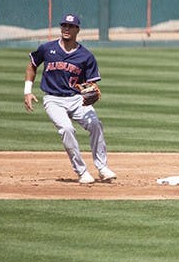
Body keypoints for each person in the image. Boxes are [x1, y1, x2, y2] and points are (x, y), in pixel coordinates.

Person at [23, 13, 117, 185]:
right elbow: (32, 65)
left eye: (70, 26)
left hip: (76, 99)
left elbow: (91, 85)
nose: (66, 29)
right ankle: (82, 172)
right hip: (53, 99)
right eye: (64, 25)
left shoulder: (86, 56)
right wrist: (27, 91)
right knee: (67, 129)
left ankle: (102, 168)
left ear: (77, 30)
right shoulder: (47, 48)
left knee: (96, 124)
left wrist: (91, 95)